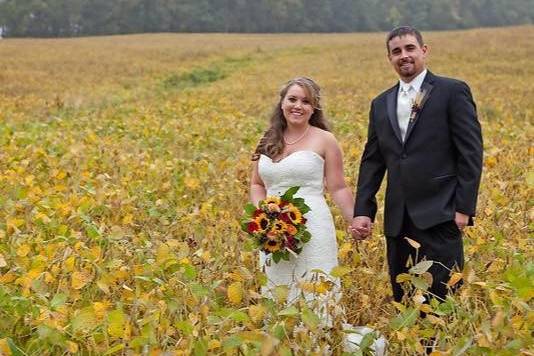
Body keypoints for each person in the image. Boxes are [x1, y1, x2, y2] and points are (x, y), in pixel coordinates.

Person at [250, 77, 386, 354]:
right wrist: (264, 213)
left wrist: (356, 219)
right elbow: (257, 185)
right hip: (273, 231)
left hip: (313, 228)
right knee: (278, 288)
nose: (298, 106)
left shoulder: (325, 140)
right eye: (292, 99)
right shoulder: (267, 139)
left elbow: (337, 187)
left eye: (305, 101)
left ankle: (319, 346)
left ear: (314, 108)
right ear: (282, 102)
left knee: (315, 288)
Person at [351, 26, 483, 303]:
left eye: (410, 48)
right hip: (398, 222)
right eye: (396, 51)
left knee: (444, 299)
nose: (404, 56)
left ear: (424, 50)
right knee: (405, 300)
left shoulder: (452, 91)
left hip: (441, 215)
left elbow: (470, 153)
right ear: (389, 58)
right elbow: (373, 160)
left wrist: (463, 209)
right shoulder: (380, 103)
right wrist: (363, 210)